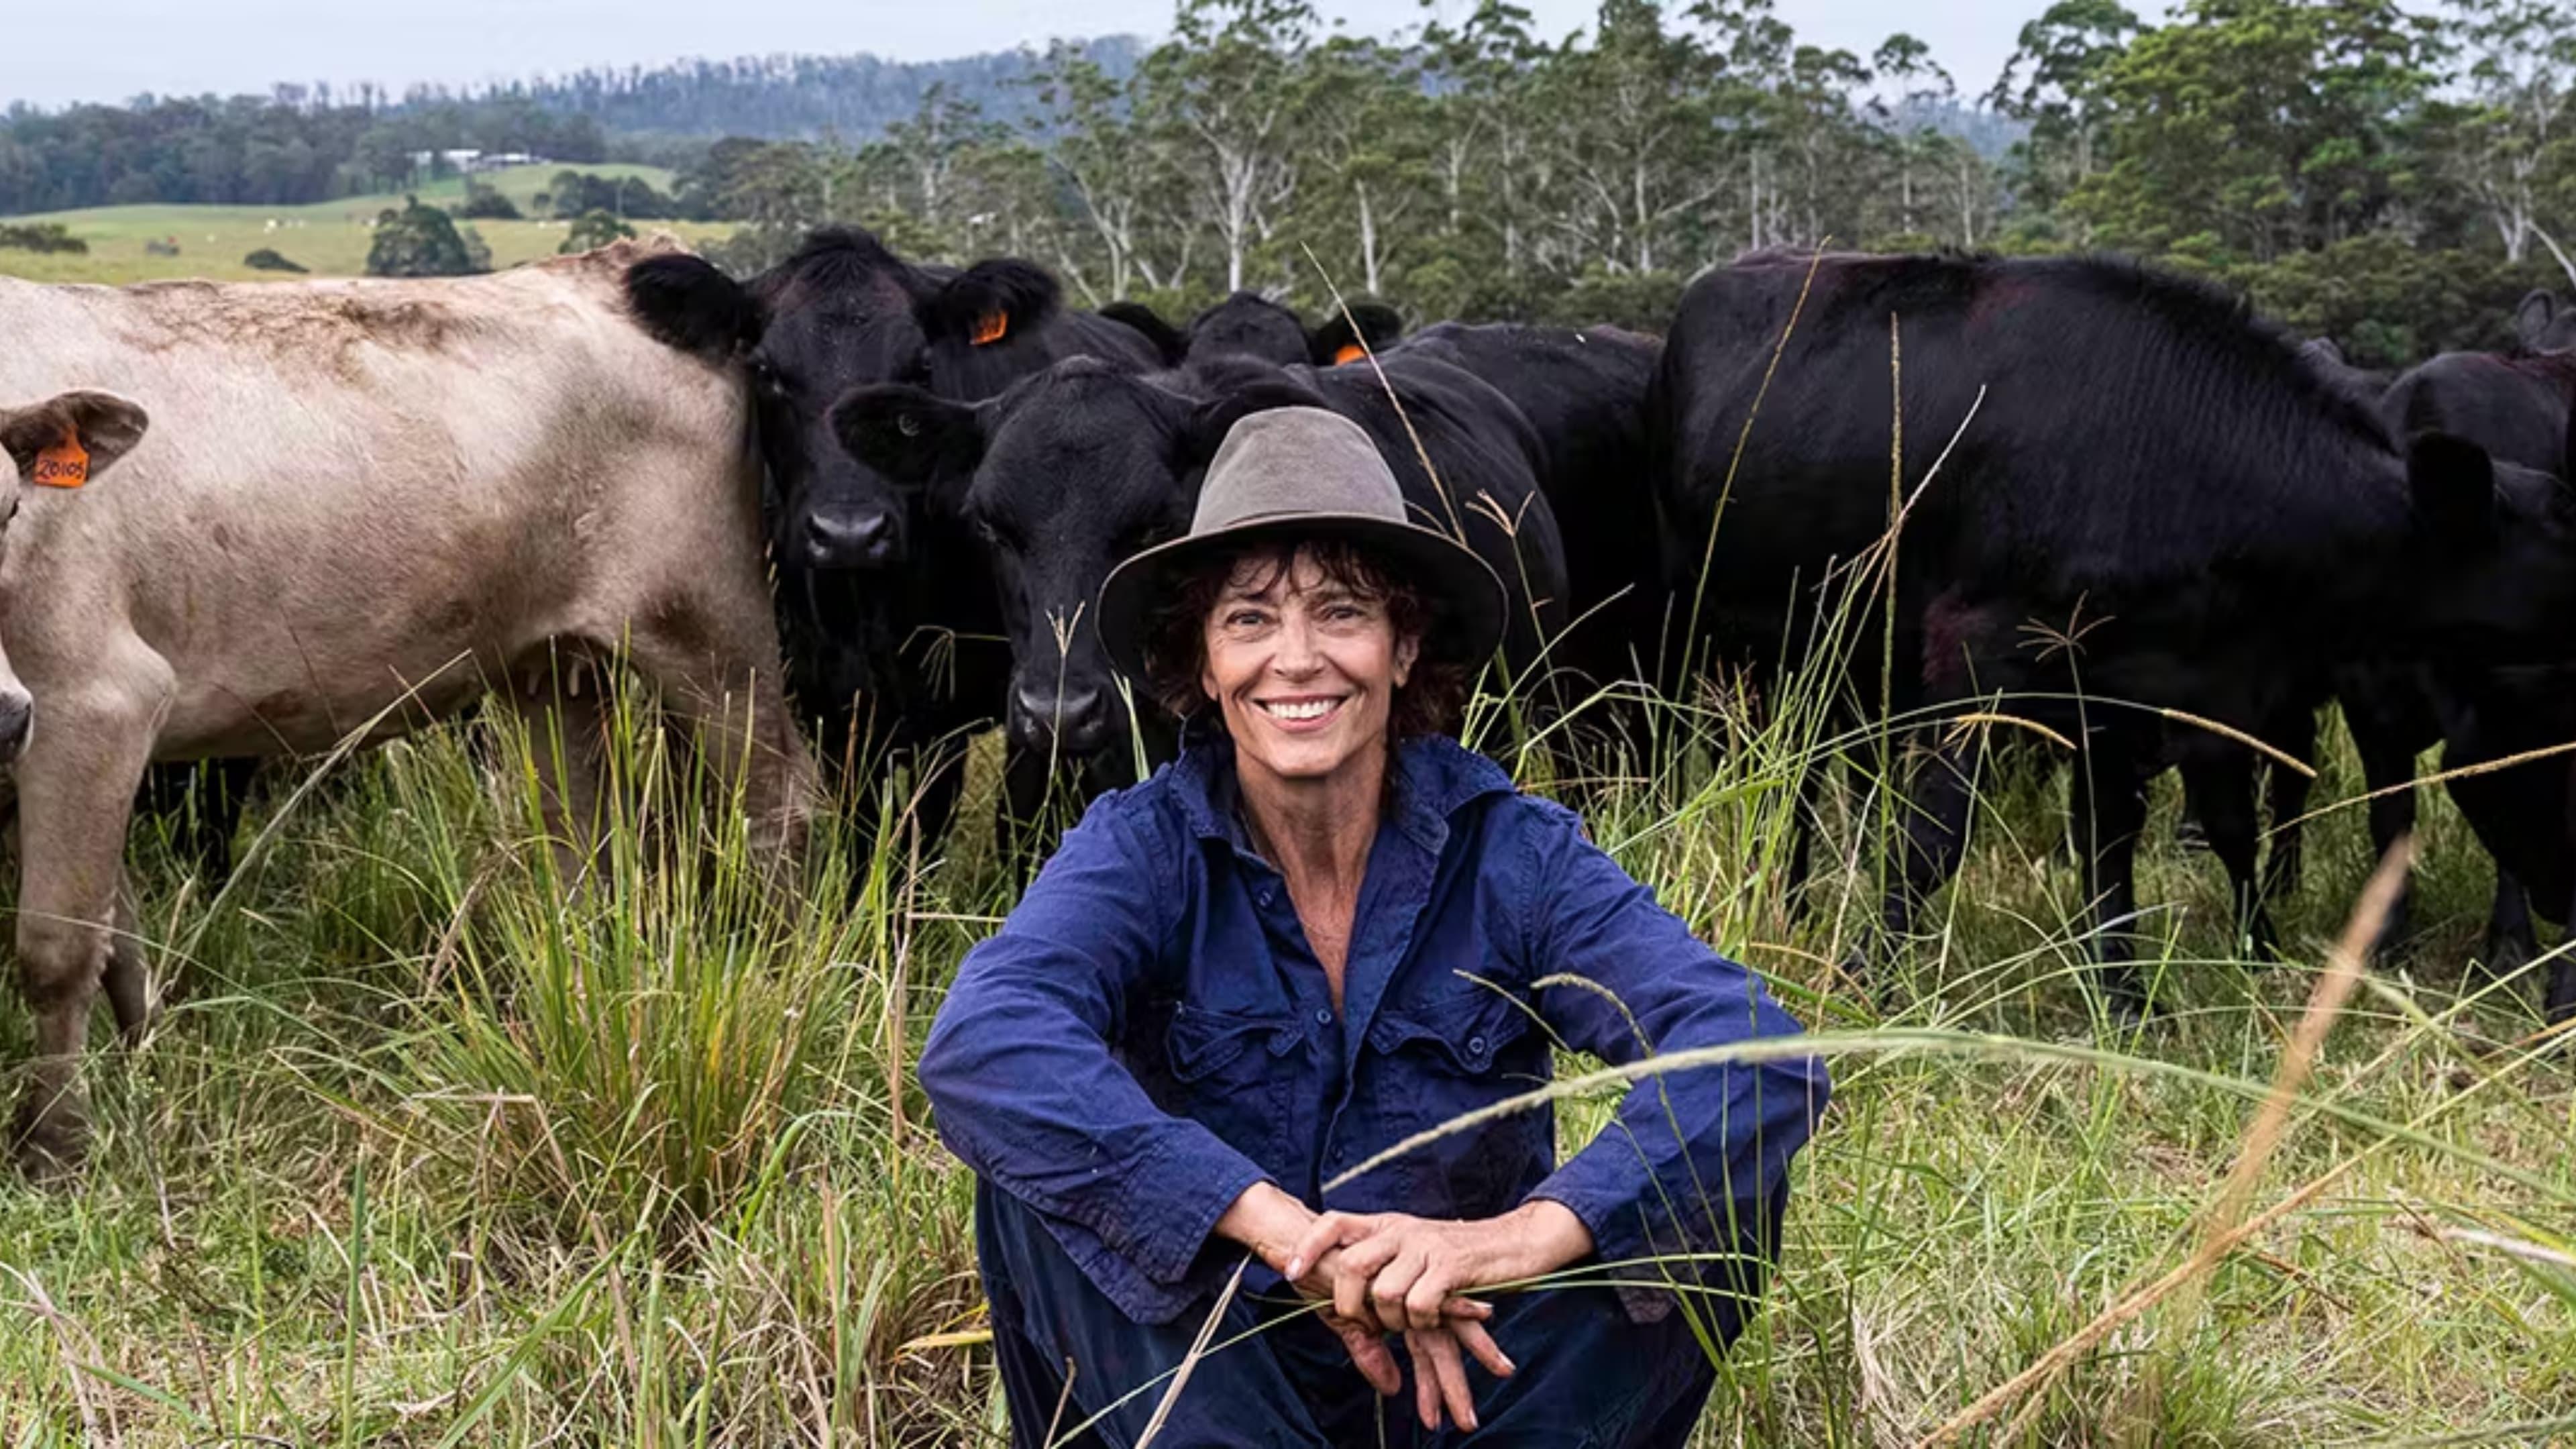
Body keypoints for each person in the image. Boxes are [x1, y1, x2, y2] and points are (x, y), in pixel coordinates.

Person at [918, 407, 1829, 1446]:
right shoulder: (1145, 846)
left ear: (1404, 647)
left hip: (1476, 1370)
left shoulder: (1512, 853)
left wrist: (1508, 1241)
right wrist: (1286, 1237)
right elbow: (986, 1043)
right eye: (1249, 621)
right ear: (1204, 666)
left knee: (1718, 1193)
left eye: (1342, 613)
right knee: (1032, 1175)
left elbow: (1757, 1050)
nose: (1296, 660)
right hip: (1218, 1371)